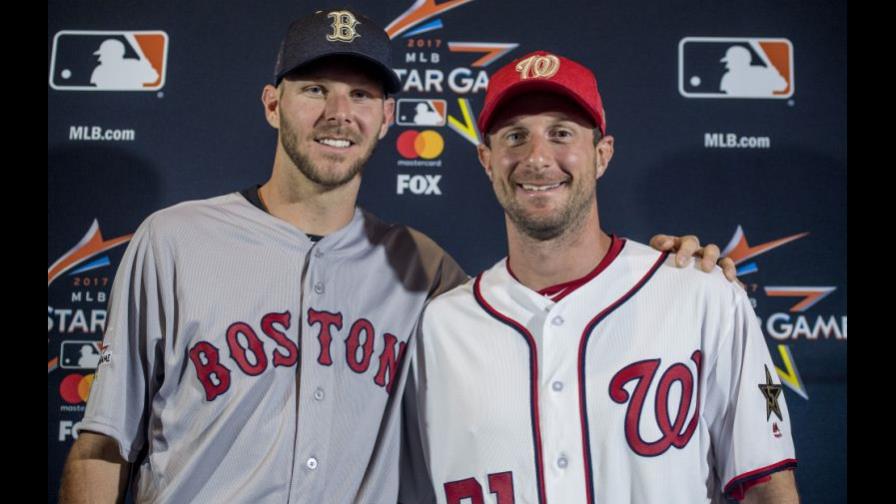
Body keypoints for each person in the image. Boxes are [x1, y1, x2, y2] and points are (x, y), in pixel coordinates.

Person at [59, 11, 732, 502]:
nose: (338, 113)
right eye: (315, 89)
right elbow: (101, 448)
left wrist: (670, 270)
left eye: (362, 95)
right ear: (273, 104)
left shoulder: (427, 270)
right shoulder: (174, 242)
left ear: (388, 119)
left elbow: (547, 326)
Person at [402, 51, 798, 504]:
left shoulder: (700, 293)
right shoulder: (440, 327)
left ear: (602, 154)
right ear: (486, 160)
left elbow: (769, 490)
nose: (536, 157)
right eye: (515, 137)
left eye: (561, 133)